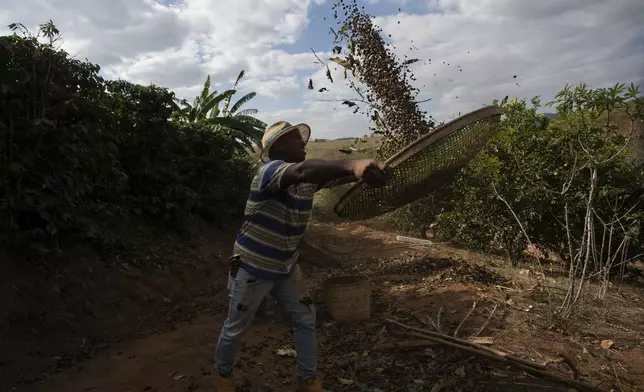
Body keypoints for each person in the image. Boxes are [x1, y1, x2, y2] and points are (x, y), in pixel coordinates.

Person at [215, 121, 392, 392]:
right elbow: (305, 170)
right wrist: (353, 164)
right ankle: (224, 379)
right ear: (279, 147)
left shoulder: (304, 182)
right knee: (235, 326)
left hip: (286, 266)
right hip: (252, 267)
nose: (303, 143)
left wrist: (365, 172)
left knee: (306, 319)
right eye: (296, 139)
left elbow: (328, 176)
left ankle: (307, 380)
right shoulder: (268, 173)